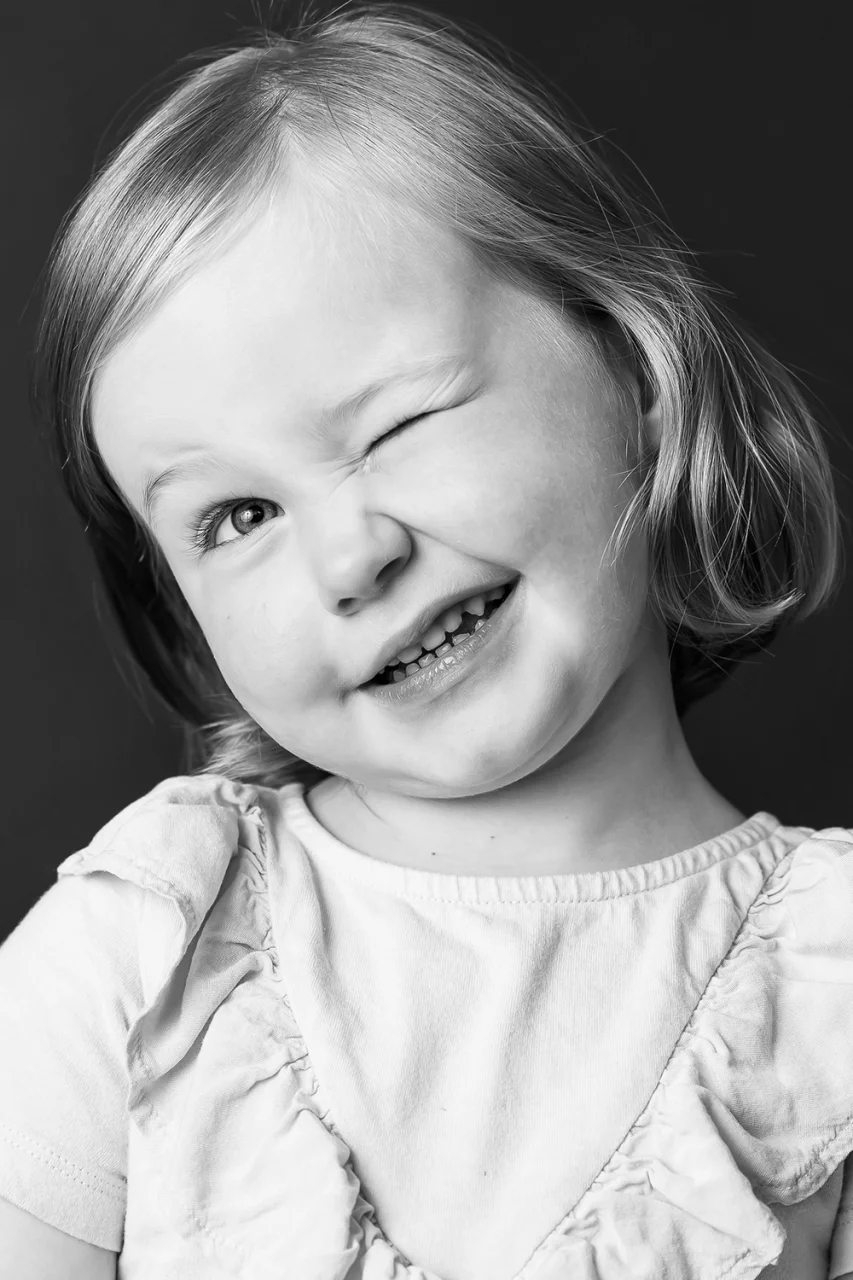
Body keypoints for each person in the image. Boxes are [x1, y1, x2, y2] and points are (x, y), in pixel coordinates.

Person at [1, 3, 851, 1277]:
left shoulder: (830, 989)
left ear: (633, 362)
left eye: (397, 423)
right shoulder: (139, 956)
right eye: (237, 515)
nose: (352, 556)